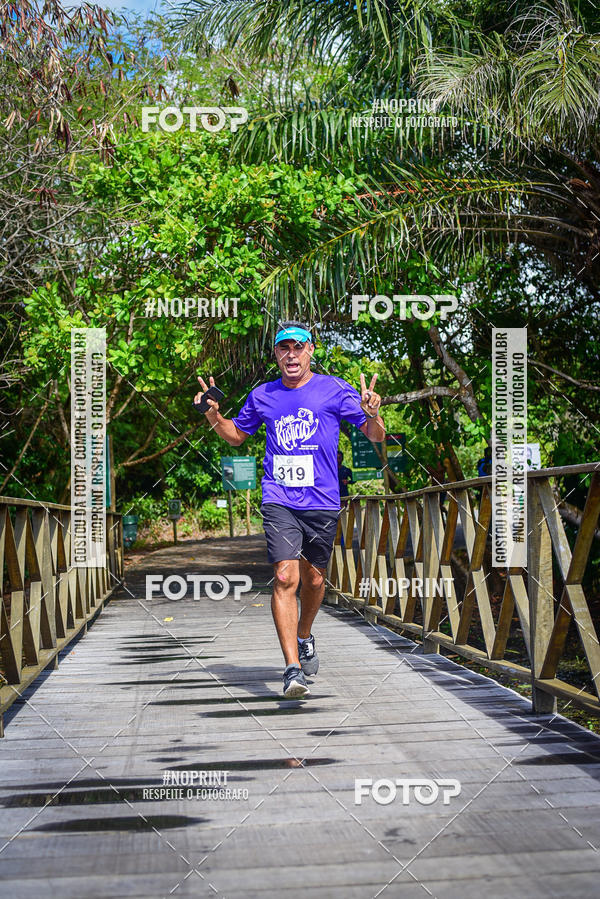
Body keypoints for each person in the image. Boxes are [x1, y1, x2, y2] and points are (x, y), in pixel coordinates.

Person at [194, 320, 385, 698]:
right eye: (284, 348)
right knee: (285, 578)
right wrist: (213, 415)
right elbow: (237, 436)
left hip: (322, 502)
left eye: (298, 347)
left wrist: (373, 412)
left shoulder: (333, 390)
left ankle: (305, 635)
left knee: (314, 580)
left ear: (311, 351)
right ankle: (292, 668)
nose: (291, 354)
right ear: (276, 355)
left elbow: (374, 435)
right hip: (279, 499)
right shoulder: (263, 395)